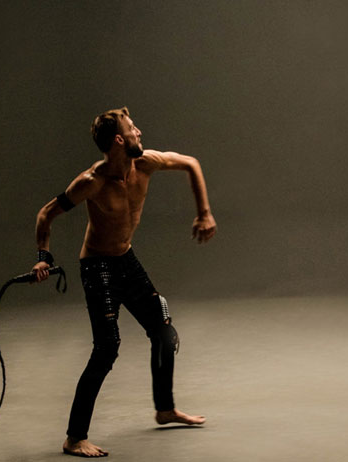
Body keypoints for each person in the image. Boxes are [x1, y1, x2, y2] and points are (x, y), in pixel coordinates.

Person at [31, 107, 216, 457]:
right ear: (119, 140)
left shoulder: (146, 163)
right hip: (97, 267)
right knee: (106, 349)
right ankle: (74, 438)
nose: (139, 132)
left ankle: (165, 409)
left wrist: (204, 212)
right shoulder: (92, 182)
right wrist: (44, 257)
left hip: (126, 260)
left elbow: (191, 163)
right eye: (132, 128)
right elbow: (46, 214)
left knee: (163, 331)